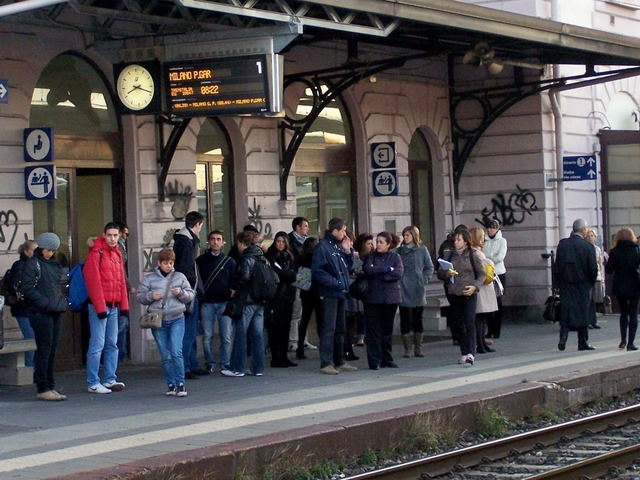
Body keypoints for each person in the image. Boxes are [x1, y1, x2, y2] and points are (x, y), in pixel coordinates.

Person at [137, 248, 194, 396]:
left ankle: (180, 384)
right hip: (159, 321)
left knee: (176, 351)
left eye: (171, 263)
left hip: (177, 318)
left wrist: (181, 293)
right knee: (166, 354)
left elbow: (190, 295)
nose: (168, 266)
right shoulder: (150, 278)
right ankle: (170, 384)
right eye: (165, 263)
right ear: (159, 263)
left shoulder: (179, 277)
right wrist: (150, 296)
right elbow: (139, 296)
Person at [21, 233, 68, 401]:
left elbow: (54, 287)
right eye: (48, 250)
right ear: (41, 248)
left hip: (54, 310)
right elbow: (27, 288)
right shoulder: (33, 264)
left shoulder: (54, 265)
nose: (50, 253)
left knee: (52, 350)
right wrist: (45, 302)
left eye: (52, 250)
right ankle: (43, 387)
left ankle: (50, 385)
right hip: (41, 312)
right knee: (44, 350)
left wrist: (57, 302)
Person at [84, 222, 130, 394]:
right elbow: (93, 282)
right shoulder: (96, 253)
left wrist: (124, 306)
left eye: (115, 235)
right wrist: (100, 307)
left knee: (112, 343)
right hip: (100, 307)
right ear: (104, 235)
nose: (112, 238)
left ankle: (110, 378)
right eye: (109, 235)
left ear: (119, 236)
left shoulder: (117, 254)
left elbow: (121, 282)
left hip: (114, 305)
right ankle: (93, 381)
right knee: (97, 344)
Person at [311, 217, 358, 375]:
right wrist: (336, 283)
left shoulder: (337, 247)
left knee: (340, 328)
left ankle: (340, 361)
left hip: (341, 292)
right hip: (330, 293)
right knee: (329, 328)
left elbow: (348, 267)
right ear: (335, 231)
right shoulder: (323, 247)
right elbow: (318, 272)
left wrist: (347, 251)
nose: (345, 233)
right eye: (343, 230)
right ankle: (326, 362)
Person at [437, 228, 486, 366]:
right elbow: (440, 272)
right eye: (455, 240)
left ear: (465, 241)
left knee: (469, 322)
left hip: (469, 292)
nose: (456, 242)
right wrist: (447, 274)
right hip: (454, 293)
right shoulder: (449, 255)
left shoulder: (473, 254)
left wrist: (475, 286)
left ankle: (471, 353)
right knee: (459, 324)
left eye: (459, 239)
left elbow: (482, 274)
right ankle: (464, 352)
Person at [222, 231, 267, 377]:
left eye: (238, 244)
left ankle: (237, 368)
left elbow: (244, 277)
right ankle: (258, 368)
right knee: (257, 335)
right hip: (260, 300)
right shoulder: (261, 257)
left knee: (241, 334)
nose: (238, 247)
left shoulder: (247, 258)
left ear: (242, 243)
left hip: (247, 301)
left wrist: (234, 287)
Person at [173, 211, 208, 380]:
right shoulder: (186, 242)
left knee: (191, 331)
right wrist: (193, 289)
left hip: (188, 290)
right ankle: (186, 366)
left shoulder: (182, 240)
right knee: (188, 331)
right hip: (189, 292)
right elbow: (187, 269)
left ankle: (191, 364)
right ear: (198, 224)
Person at [554, 218, 598, 352]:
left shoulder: (563, 244)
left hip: (566, 284)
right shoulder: (588, 246)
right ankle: (582, 342)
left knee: (566, 312)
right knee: (583, 313)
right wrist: (591, 282)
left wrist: (558, 283)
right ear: (583, 230)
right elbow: (593, 268)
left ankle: (563, 336)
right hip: (582, 285)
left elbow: (558, 266)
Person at [196, 230, 237, 373]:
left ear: (223, 242)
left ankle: (225, 362)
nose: (215, 242)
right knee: (207, 336)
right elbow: (197, 280)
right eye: (212, 239)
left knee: (226, 336)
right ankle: (209, 362)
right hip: (206, 303)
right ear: (208, 241)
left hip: (224, 303)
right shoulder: (201, 261)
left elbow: (235, 280)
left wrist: (232, 291)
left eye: (218, 239)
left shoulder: (229, 261)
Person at [363, 231, 404, 370]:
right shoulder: (371, 257)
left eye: (381, 242)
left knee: (387, 330)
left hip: (391, 298)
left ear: (388, 244)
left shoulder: (395, 257)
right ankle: (374, 360)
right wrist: (385, 270)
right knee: (374, 330)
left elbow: (398, 273)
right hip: (373, 298)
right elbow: (368, 270)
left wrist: (380, 275)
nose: (378, 244)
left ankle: (387, 358)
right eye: (377, 241)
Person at [398, 226, 434, 358]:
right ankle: (407, 348)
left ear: (414, 235)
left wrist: (424, 279)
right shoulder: (399, 251)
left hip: (418, 287)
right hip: (403, 286)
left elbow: (430, 267)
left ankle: (418, 347)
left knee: (418, 318)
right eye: (404, 235)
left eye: (407, 235)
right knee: (405, 318)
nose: (405, 238)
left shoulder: (422, 250)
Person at [265, 231, 298, 368]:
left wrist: (289, 275)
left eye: (283, 242)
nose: (280, 244)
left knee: (286, 326)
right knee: (276, 327)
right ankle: (275, 357)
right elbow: (279, 272)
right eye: (278, 241)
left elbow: (294, 274)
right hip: (276, 295)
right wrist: (288, 274)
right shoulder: (270, 255)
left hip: (288, 295)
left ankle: (284, 356)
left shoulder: (289, 256)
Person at [605, 227, 640, 351]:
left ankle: (623, 341)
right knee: (634, 313)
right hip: (635, 285)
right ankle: (631, 343)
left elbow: (609, 269)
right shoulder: (637, 250)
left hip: (620, 285)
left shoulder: (614, 252)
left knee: (624, 313)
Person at [287, 216, 317, 353]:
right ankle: (293, 341)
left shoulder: (307, 243)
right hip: (297, 281)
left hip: (306, 282)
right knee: (296, 312)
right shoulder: (289, 241)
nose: (308, 228)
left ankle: (303, 341)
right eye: (305, 226)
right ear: (297, 227)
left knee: (304, 314)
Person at [9, 239, 38, 367]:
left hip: (30, 307)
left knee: (32, 336)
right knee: (30, 337)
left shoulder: (34, 264)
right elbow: (18, 286)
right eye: (33, 250)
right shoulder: (21, 265)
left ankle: (32, 367)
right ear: (26, 251)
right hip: (23, 307)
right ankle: (29, 367)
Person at [469, 227, 497, 354]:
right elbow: (485, 266)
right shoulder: (475, 252)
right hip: (481, 288)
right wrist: (490, 262)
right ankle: (480, 344)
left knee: (482, 317)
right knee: (479, 317)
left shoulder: (477, 251)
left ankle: (482, 343)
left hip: (484, 288)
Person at [296, 237, 321, 360]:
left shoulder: (302, 257)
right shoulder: (315, 257)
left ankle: (299, 347)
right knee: (320, 321)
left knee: (304, 320)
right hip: (316, 291)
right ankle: (324, 348)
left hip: (305, 292)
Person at [115, 221, 135, 363]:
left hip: (118, 289)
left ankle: (120, 354)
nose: (127, 237)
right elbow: (121, 270)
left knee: (122, 322)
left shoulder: (120, 247)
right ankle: (120, 354)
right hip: (118, 290)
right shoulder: (118, 248)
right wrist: (129, 286)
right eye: (126, 234)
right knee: (122, 322)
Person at [484, 219, 507, 339]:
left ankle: (497, 330)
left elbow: (500, 257)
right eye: (488, 228)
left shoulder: (502, 241)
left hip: (498, 274)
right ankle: (490, 329)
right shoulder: (484, 241)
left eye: (492, 228)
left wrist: (488, 260)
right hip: (487, 274)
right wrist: (490, 258)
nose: (489, 230)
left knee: (498, 303)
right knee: (488, 304)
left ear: (497, 229)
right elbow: (482, 256)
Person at [352, 233, 374, 347]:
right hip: (356, 287)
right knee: (357, 312)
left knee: (364, 313)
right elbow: (353, 269)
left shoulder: (373, 256)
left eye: (371, 243)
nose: (370, 246)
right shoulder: (356, 255)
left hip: (369, 287)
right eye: (368, 243)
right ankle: (357, 336)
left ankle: (362, 336)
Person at [586, 228, 604, 327]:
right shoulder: (585, 247)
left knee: (594, 299)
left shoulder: (597, 249)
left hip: (596, 276)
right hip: (588, 277)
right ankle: (587, 321)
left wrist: (602, 277)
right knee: (588, 299)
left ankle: (593, 320)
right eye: (588, 236)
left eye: (591, 236)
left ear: (595, 237)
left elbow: (600, 263)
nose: (590, 238)